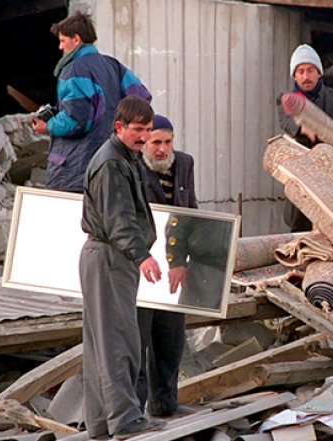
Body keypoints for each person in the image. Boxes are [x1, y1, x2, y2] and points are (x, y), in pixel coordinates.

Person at [79, 96, 164, 440]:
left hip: (108, 257)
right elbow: (119, 220)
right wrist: (141, 255)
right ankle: (125, 420)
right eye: (138, 130)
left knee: (102, 342)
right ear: (119, 128)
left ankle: (101, 423)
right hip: (111, 257)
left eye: (148, 130)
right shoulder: (113, 164)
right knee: (119, 341)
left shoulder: (123, 158)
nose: (144, 137)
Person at [33, 11, 151, 193]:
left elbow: (75, 120)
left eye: (63, 41)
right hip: (113, 163)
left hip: (75, 171)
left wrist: (47, 126)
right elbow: (141, 100)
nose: (60, 47)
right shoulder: (113, 65)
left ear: (77, 39)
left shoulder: (73, 70)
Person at [135, 114, 198, 418]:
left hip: (173, 267)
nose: (162, 149)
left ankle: (165, 405)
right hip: (141, 266)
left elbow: (190, 215)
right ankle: (133, 411)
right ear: (144, 142)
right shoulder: (132, 167)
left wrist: (183, 260)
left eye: (167, 142)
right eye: (155, 142)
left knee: (171, 340)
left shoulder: (184, 164)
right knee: (139, 341)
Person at [276, 43, 333, 231]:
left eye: (309, 70)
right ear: (295, 76)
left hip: (330, 177)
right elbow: (288, 124)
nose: (305, 76)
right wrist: (303, 129)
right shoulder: (287, 100)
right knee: (299, 234)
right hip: (302, 179)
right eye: (300, 72)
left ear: (319, 73)